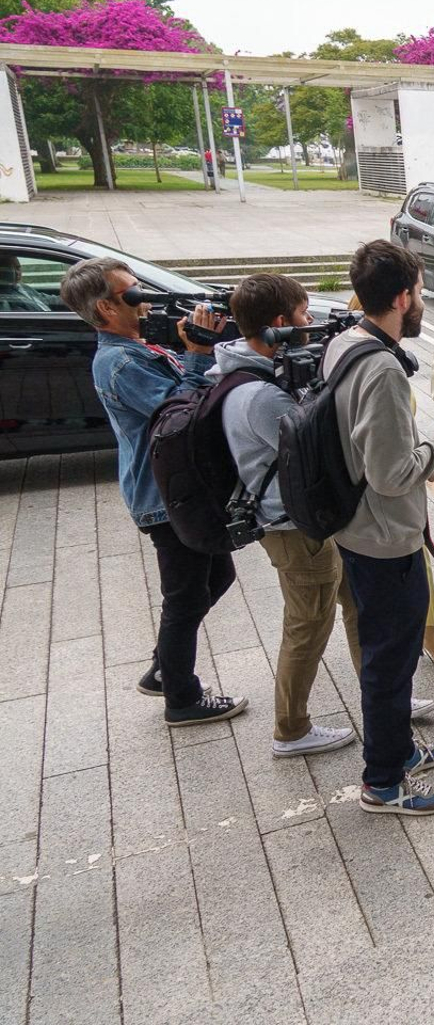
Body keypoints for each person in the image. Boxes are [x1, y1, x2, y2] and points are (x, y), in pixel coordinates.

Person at [62, 257, 248, 727]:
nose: (143, 299)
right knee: (185, 596)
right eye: (131, 294)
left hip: (175, 490)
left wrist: (201, 341)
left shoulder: (135, 348)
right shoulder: (120, 361)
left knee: (215, 578)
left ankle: (166, 664)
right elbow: (180, 414)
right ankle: (181, 698)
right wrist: (197, 357)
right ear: (105, 307)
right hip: (164, 496)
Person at [332, 240, 434, 816]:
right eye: (419, 291)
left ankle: (395, 750)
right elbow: (390, 474)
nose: (423, 301)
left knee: (387, 654)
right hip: (385, 538)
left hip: (359, 528)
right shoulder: (383, 370)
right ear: (402, 297)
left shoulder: (345, 342)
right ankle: (383, 782)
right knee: (391, 661)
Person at [214, 274, 361, 756]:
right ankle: (291, 729)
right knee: (307, 627)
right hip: (293, 528)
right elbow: (317, 445)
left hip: (307, 522)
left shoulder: (251, 373)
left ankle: (385, 696)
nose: (309, 325)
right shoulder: (260, 394)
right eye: (302, 316)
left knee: (356, 604)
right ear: (280, 323)